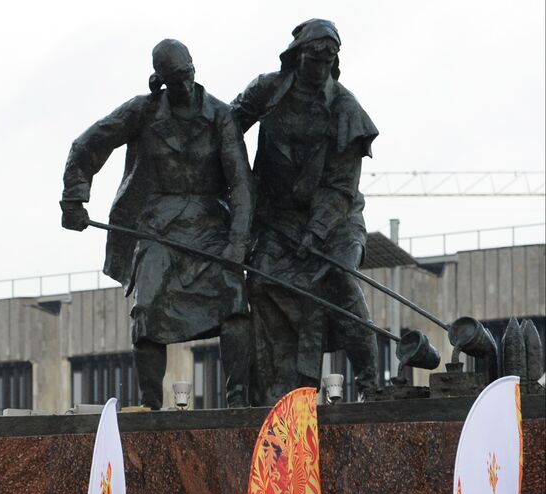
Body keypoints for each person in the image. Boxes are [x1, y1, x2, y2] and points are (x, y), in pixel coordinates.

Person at [61, 39, 254, 408]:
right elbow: (88, 144)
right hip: (156, 227)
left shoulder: (220, 116)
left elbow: (241, 184)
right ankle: (151, 405)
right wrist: (74, 198)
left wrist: (237, 243)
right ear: (162, 80)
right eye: (176, 79)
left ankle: (238, 399)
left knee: (234, 298)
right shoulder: (143, 111)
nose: (185, 85)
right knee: (147, 308)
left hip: (210, 227)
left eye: (188, 75)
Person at [231, 19, 380, 403]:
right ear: (297, 56)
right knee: (261, 282)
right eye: (314, 59)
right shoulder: (267, 89)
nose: (320, 68)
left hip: (336, 220)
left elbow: (341, 186)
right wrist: (237, 184)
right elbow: (226, 130)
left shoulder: (346, 110)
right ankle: (277, 390)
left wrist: (315, 232)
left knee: (340, 280)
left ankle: (370, 383)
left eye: (328, 61)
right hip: (278, 219)